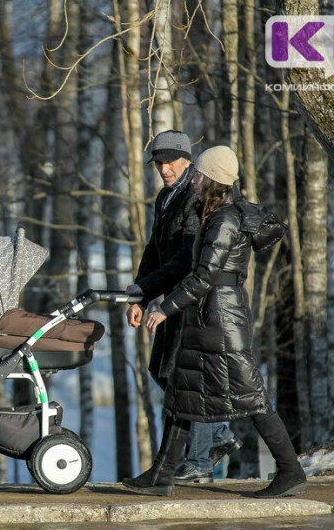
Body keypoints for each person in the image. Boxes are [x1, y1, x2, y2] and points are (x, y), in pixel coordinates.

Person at [122, 145, 306, 498]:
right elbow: (182, 266)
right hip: (204, 317)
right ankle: (161, 475)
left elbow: (205, 276)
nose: (194, 179)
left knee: (253, 398)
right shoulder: (211, 216)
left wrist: (165, 308)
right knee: (180, 391)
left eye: (200, 174)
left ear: (211, 179)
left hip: (222, 321)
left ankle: (290, 472)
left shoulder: (225, 220)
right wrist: (143, 290)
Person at [126, 130, 240, 483]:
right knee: (161, 371)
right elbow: (153, 249)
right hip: (165, 296)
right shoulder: (164, 197)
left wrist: (152, 291)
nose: (164, 169)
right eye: (159, 163)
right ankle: (219, 434)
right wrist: (139, 296)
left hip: (189, 299)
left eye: (170, 162)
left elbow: (184, 260)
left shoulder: (196, 196)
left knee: (185, 379)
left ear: (187, 161)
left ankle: (199, 462)